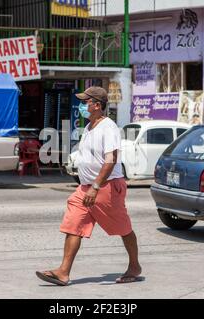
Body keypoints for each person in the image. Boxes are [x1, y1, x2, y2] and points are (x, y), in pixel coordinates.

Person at [36, 86, 142, 286]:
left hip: (106, 187)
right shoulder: (89, 127)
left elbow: (110, 160)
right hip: (85, 188)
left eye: (86, 102)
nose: (83, 105)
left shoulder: (108, 127)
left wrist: (95, 186)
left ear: (97, 105)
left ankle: (135, 266)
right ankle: (63, 272)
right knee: (73, 226)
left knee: (123, 228)